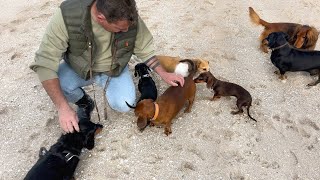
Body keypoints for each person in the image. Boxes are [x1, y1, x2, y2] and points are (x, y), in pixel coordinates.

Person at [30, 0, 184, 133]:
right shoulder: (67, 15)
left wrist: (164, 73)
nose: (126, 31)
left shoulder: (128, 17)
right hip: (79, 69)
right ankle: (85, 102)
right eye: (120, 29)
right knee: (61, 83)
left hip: (114, 69)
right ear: (100, 18)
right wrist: (62, 108)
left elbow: (144, 49)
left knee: (124, 104)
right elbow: (44, 63)